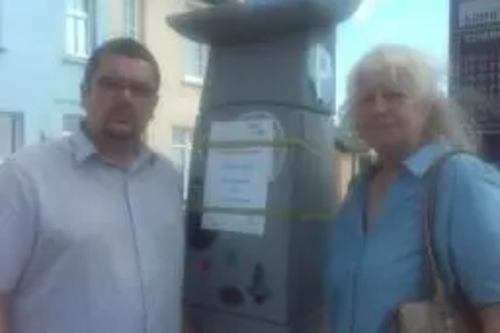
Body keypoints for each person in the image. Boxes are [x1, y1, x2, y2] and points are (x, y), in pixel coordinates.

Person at [0, 38, 186, 333]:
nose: (125, 98)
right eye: (111, 84)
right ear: (84, 94)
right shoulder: (26, 177)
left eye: (139, 89)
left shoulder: (167, 179)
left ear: (154, 105)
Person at [325, 44, 500, 333]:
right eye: (367, 99)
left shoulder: (458, 178)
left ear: (428, 108)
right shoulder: (358, 190)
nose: (379, 107)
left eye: (395, 96)